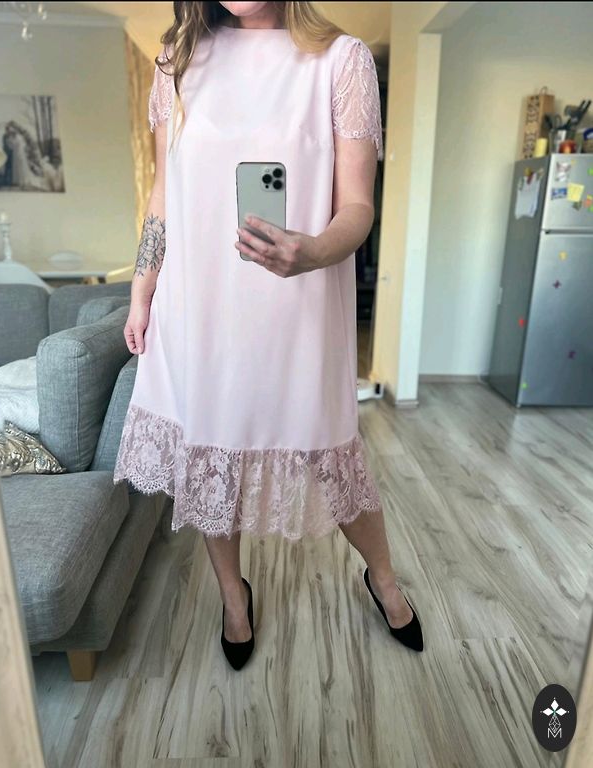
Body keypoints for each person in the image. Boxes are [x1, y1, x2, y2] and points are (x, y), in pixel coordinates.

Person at [113, 0, 424, 670]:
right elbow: (164, 195)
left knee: (330, 455)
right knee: (212, 456)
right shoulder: (176, 62)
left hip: (299, 308)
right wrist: (142, 287)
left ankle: (383, 577)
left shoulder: (340, 61)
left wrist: (310, 252)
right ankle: (234, 598)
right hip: (198, 310)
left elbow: (358, 206)